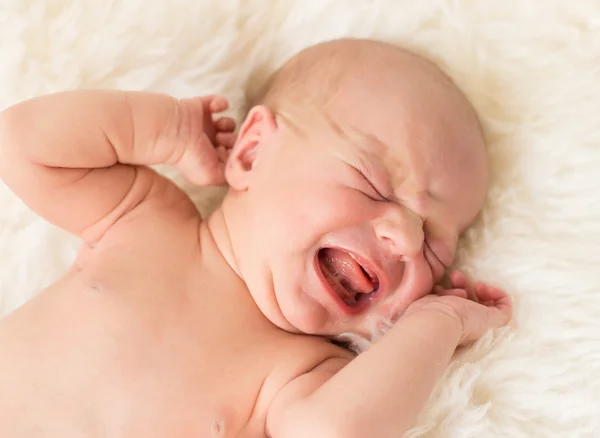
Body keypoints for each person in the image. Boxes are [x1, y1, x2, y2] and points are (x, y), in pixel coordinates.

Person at [0, 38, 511, 437]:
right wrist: (169, 130)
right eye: (374, 183)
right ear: (251, 153)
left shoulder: (302, 373)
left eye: (432, 247)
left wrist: (438, 324)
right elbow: (22, 145)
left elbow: (340, 431)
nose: (403, 235)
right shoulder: (146, 220)